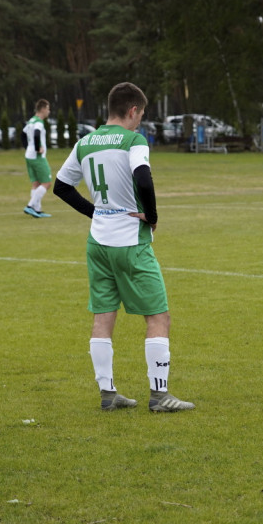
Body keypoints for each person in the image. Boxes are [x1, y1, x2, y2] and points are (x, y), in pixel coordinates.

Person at [53, 82, 194, 413]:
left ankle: (108, 392)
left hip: (98, 241)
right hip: (130, 240)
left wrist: (95, 211)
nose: (140, 121)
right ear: (133, 111)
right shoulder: (134, 140)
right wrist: (153, 216)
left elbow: (61, 186)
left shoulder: (85, 142)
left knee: (103, 316)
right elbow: (143, 177)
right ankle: (159, 396)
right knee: (159, 317)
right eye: (141, 115)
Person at [23, 99, 53, 217]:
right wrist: (37, 148)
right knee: (47, 183)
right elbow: (36, 134)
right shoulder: (39, 122)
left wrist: (28, 147)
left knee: (36, 183)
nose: (49, 111)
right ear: (43, 109)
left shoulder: (31, 121)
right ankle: (30, 206)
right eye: (48, 109)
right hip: (37, 156)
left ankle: (37, 210)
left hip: (29, 155)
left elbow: (22, 134)